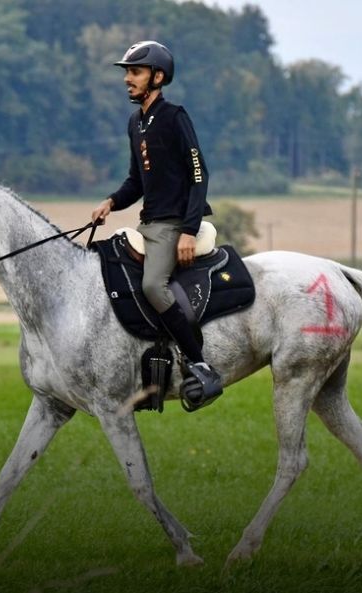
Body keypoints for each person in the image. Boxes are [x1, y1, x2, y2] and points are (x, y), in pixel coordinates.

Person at [91, 40, 222, 401]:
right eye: (127, 73)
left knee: (152, 286)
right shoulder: (136, 123)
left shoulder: (175, 117)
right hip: (146, 224)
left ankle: (200, 365)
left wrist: (188, 231)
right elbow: (136, 181)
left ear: (158, 77)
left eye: (135, 72)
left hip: (173, 225)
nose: (127, 79)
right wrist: (111, 202)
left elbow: (199, 175)